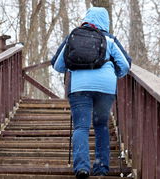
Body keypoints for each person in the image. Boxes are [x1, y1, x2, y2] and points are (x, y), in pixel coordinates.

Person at [51, 7, 132, 179]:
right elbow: (125, 65)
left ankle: (82, 168)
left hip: (80, 88)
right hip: (105, 88)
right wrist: (113, 74)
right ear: (106, 21)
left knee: (81, 127)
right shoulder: (109, 39)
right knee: (101, 126)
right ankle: (102, 168)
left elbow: (58, 65)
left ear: (86, 18)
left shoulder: (73, 37)